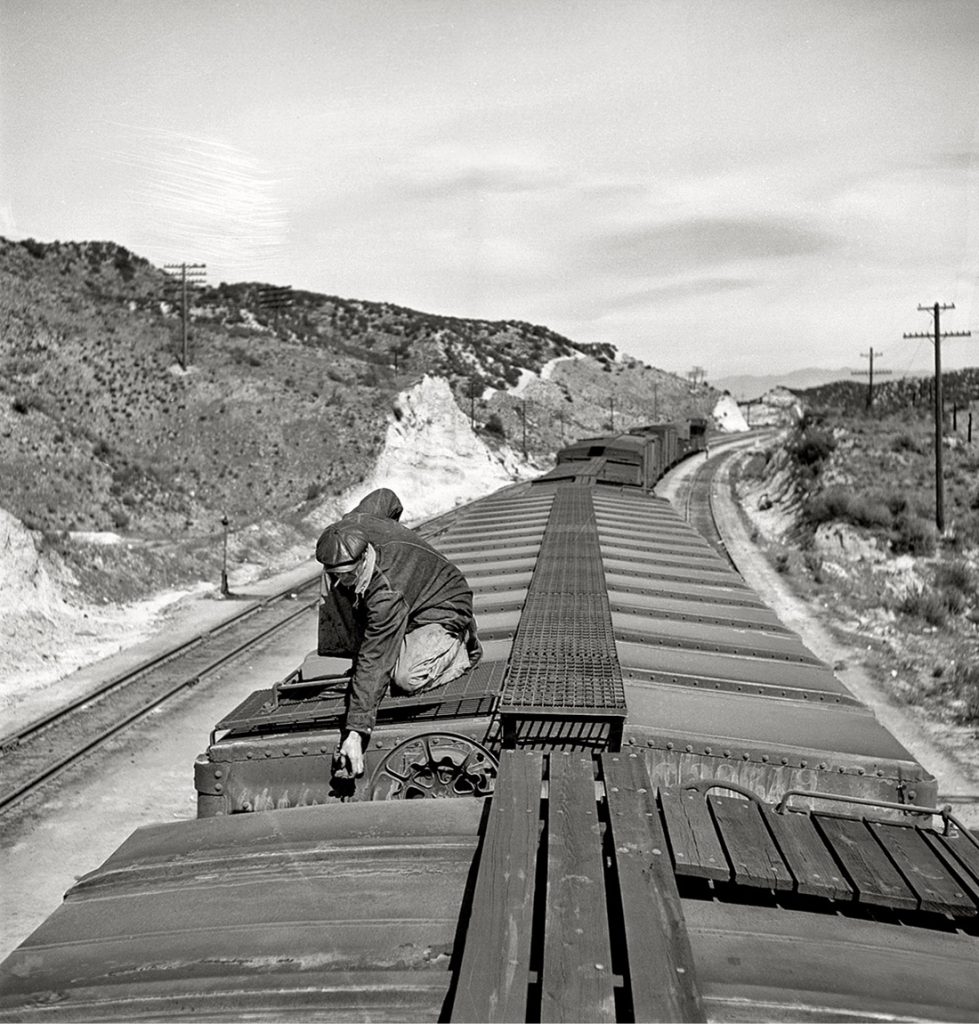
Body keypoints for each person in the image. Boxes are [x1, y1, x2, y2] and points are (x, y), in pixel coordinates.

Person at [316, 490, 481, 778]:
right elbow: (386, 497)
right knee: (333, 592)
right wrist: (397, 531)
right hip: (411, 600)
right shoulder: (353, 523)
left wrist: (356, 731)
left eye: (350, 574)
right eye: (338, 574)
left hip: (443, 607)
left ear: (365, 553)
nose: (344, 580)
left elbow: (375, 658)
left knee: (405, 678)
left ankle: (459, 647)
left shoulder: (387, 595)